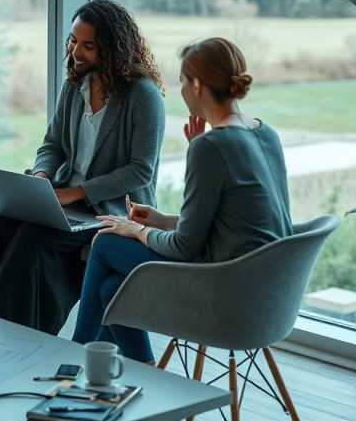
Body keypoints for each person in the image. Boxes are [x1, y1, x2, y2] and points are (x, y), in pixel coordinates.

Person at [72, 37, 292, 362]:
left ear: (198, 84)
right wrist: (161, 220)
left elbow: (185, 247)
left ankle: (74, 355)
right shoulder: (264, 133)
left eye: (183, 83)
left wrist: (138, 231)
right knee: (111, 290)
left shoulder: (211, 147)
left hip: (223, 289)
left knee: (105, 243)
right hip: (268, 295)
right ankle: (143, 370)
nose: (183, 91)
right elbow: (236, 220)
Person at [0, 0, 166, 335]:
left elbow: (139, 171)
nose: (76, 51)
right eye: (73, 40)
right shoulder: (75, 85)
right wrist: (42, 176)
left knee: (33, 240)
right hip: (62, 197)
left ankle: (12, 336)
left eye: (88, 45)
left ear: (113, 47)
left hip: (108, 209)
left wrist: (73, 193)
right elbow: (52, 145)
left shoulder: (143, 96)